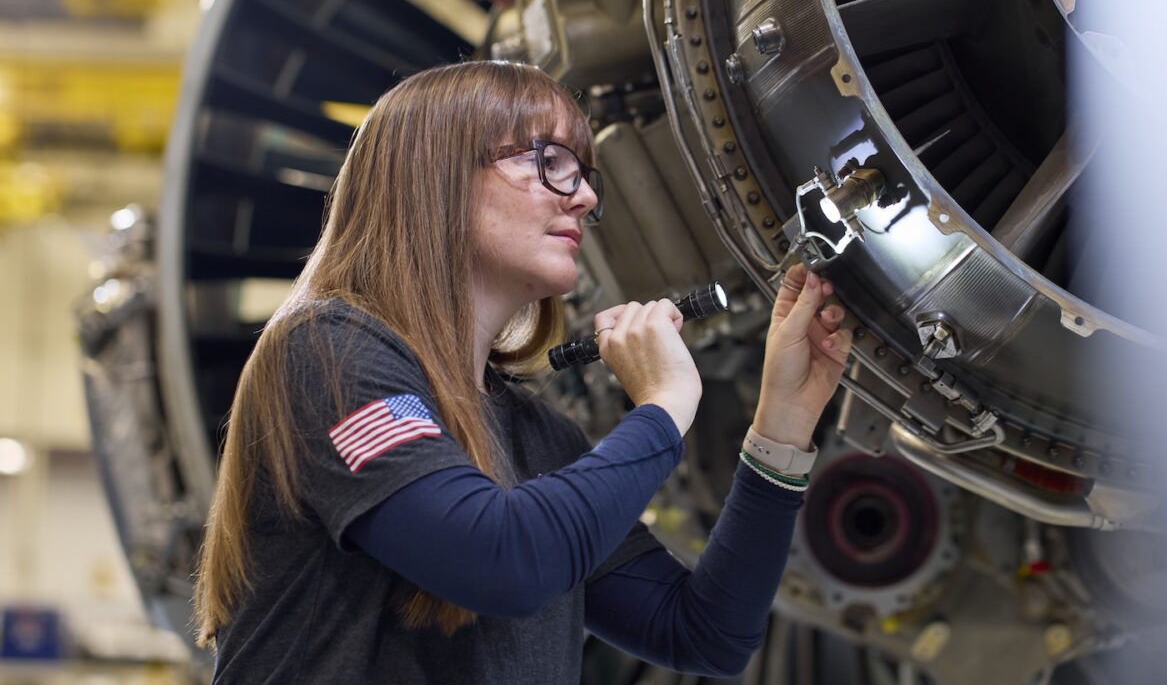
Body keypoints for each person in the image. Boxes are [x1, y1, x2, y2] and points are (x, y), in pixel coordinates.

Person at [192, 60, 851, 683]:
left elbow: (705, 633)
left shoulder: (534, 434)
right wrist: (662, 405)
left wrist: (783, 423)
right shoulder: (327, 352)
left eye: (585, 172)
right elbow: (501, 563)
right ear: (437, 174)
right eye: (551, 161)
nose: (585, 196)